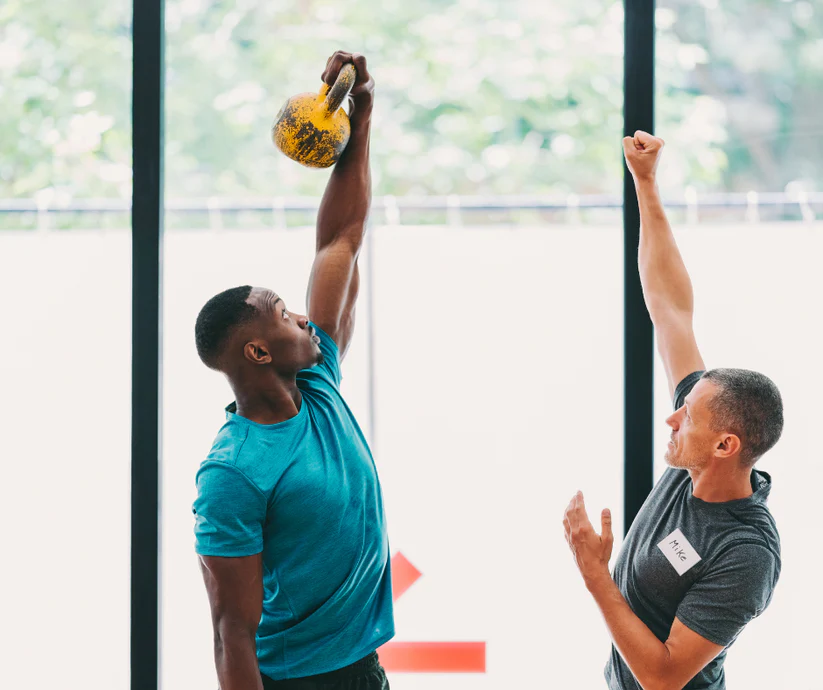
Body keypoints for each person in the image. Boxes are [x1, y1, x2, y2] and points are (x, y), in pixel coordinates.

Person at [192, 51, 393, 690]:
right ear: (257, 352)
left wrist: (359, 118)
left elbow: (340, 239)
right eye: (283, 315)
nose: (304, 319)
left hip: (363, 669)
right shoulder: (233, 473)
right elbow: (231, 636)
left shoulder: (318, 381)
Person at [563, 131, 783, 690]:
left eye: (687, 415)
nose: (671, 418)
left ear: (725, 445)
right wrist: (645, 185)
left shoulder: (746, 553)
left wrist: (595, 575)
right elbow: (669, 308)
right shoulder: (696, 458)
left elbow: (663, 678)